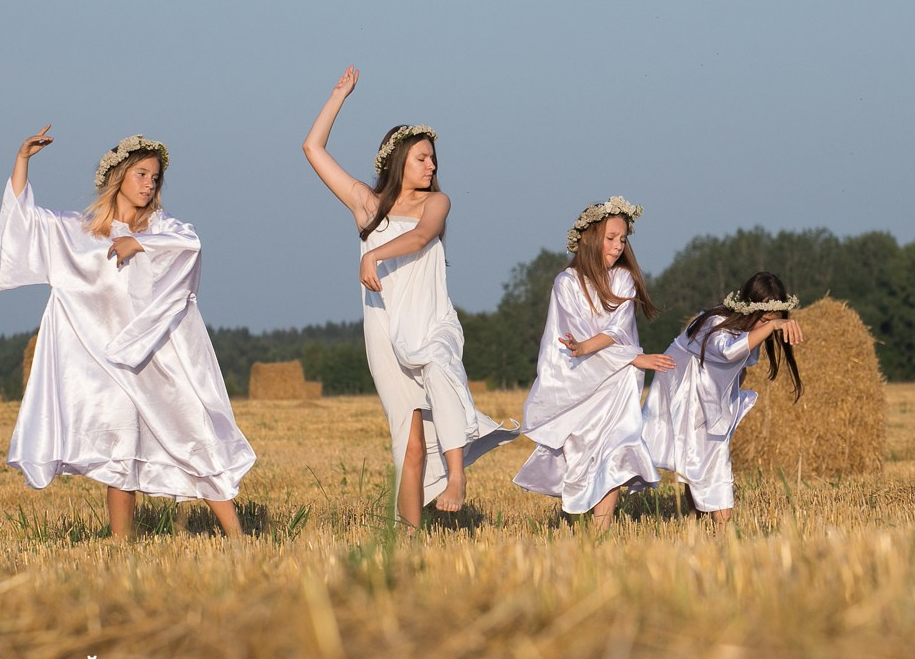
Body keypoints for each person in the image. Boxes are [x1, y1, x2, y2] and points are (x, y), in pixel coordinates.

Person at [0, 126, 255, 537]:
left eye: (154, 177)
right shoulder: (77, 233)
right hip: (108, 367)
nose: (149, 183)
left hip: (156, 361)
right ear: (119, 176)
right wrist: (22, 160)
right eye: (141, 174)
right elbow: (23, 223)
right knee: (120, 455)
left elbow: (190, 248)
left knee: (192, 436)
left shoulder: (161, 228)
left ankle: (238, 539)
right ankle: (121, 546)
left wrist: (141, 245)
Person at [302, 66, 517, 529]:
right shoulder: (367, 205)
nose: (432, 166)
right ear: (400, 160)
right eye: (423, 159)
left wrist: (372, 255)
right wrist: (338, 96)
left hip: (430, 318)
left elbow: (421, 237)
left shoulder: (436, 203)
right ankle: (408, 533)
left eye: (434, 159)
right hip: (383, 328)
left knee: (441, 370)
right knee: (410, 437)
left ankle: (456, 477)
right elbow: (312, 148)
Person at [513, 197, 674, 530]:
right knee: (580, 456)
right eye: (611, 238)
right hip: (579, 382)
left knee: (616, 448)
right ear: (589, 238)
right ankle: (575, 518)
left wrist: (611, 352)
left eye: (623, 239)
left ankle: (600, 533)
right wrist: (631, 356)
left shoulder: (623, 280)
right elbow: (572, 335)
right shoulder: (566, 284)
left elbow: (617, 331)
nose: (618, 247)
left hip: (616, 381)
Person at [642, 272, 804, 522]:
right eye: (764, 320)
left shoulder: (749, 326)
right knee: (712, 454)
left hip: (708, 392)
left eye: (774, 321)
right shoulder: (714, 322)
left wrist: (736, 380)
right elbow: (728, 352)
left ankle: (698, 517)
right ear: (748, 310)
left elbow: (741, 361)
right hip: (683, 390)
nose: (767, 327)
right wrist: (772, 326)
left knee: (698, 455)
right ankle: (723, 528)